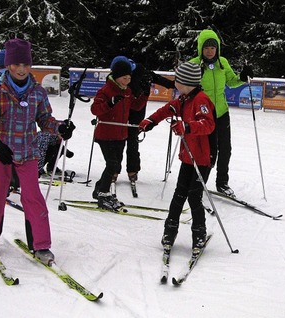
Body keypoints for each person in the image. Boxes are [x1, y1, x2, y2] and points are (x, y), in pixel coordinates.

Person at [0, 38, 76, 264]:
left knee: (33, 197)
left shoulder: (37, 92)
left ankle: (41, 245)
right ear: (8, 65)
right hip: (1, 153)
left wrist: (59, 127)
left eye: (25, 65)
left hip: (28, 153)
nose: (21, 69)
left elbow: (44, 119)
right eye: (16, 65)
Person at [138, 62, 215, 251]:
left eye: (177, 80)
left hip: (202, 159)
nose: (175, 83)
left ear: (187, 83)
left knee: (194, 197)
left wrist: (187, 127)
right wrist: (151, 120)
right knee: (179, 195)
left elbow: (208, 124)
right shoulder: (183, 99)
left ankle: (199, 234)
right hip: (188, 157)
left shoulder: (201, 100)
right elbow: (168, 109)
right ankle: (169, 232)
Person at [189, 29, 253, 197]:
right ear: (200, 48)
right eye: (206, 48)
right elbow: (185, 88)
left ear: (217, 49)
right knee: (209, 151)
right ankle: (200, 180)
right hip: (204, 115)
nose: (210, 51)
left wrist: (242, 76)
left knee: (226, 149)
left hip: (222, 112)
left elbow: (231, 82)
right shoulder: (194, 64)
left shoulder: (222, 63)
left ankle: (222, 182)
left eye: (213, 48)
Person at [109, 56, 176, 197]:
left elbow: (165, 83)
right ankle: (114, 169)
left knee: (131, 140)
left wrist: (179, 84)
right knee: (119, 140)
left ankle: (132, 170)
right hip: (121, 111)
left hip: (136, 112)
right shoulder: (118, 74)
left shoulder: (143, 73)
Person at [90, 58, 146, 210]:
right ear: (116, 76)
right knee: (112, 165)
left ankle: (100, 188)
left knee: (114, 164)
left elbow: (135, 105)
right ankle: (103, 193)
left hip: (121, 134)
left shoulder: (127, 91)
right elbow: (95, 109)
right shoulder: (106, 91)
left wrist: (144, 94)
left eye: (129, 78)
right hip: (106, 134)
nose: (127, 81)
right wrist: (110, 103)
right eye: (124, 78)